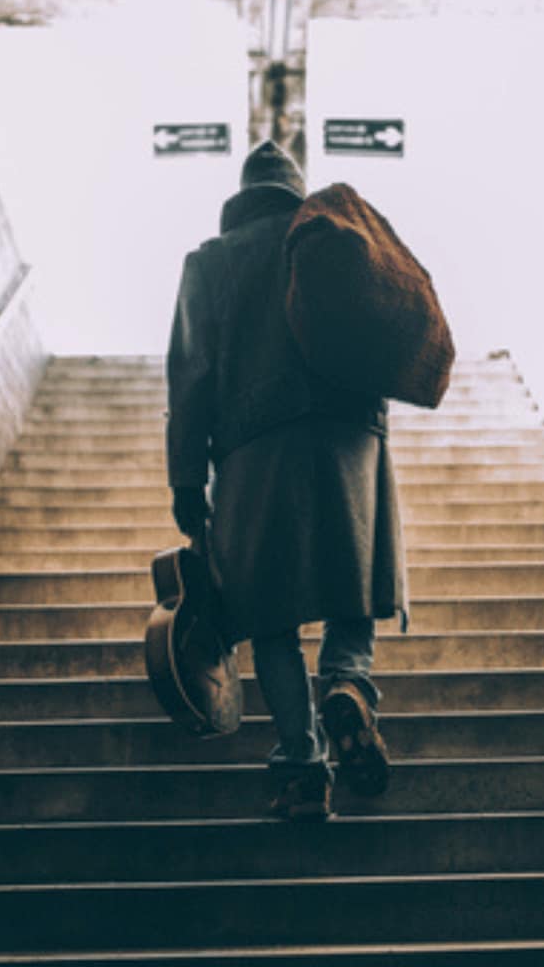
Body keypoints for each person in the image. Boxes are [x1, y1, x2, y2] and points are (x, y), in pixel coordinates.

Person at [165, 140, 405, 820]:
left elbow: (191, 377)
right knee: (351, 583)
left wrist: (188, 481)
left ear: (239, 200)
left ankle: (302, 763)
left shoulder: (211, 262)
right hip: (353, 439)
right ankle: (350, 683)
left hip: (255, 448)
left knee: (267, 611)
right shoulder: (329, 242)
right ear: (296, 193)